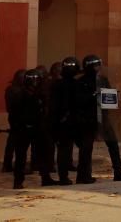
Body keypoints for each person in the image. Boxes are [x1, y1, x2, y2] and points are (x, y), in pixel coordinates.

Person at [72, 55, 121, 183]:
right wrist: (92, 95)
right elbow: (79, 100)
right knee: (86, 148)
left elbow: (108, 96)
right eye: (96, 65)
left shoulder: (103, 79)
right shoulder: (81, 82)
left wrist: (113, 96)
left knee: (113, 144)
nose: (99, 68)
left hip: (103, 117)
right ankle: (83, 175)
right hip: (88, 119)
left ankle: (118, 172)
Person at [8, 69, 58, 189]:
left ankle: (45, 177)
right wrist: (18, 127)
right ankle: (18, 181)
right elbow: (14, 114)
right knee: (21, 156)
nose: (35, 83)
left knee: (42, 153)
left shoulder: (40, 94)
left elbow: (43, 111)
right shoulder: (20, 95)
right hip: (23, 129)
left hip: (38, 128)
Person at [51, 56, 79, 185]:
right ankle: (63, 176)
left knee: (65, 148)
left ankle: (65, 173)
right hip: (65, 120)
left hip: (62, 120)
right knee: (64, 149)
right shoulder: (72, 84)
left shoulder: (57, 84)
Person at [2, 69, 25, 174]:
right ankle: (9, 165)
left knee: (13, 142)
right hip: (17, 118)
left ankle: (7, 165)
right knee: (16, 143)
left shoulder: (11, 89)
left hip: (15, 117)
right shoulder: (14, 90)